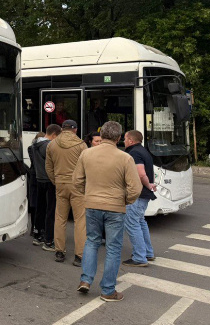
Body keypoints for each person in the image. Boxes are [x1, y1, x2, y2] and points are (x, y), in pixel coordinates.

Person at [73, 121, 142, 302]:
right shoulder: (125, 158)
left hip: (92, 205)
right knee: (113, 248)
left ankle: (86, 280)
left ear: (101, 135)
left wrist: (88, 195)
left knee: (91, 241)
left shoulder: (86, 154)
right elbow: (135, 188)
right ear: (118, 138)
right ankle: (108, 290)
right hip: (115, 207)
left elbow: (77, 181)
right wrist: (125, 200)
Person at [46, 119, 87, 266]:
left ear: (62, 129)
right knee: (80, 220)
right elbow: (86, 167)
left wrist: (56, 181)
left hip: (60, 184)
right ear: (75, 129)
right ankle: (79, 255)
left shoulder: (52, 144)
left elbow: (49, 167)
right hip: (77, 185)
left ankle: (59, 251)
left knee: (60, 218)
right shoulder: (81, 145)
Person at [123, 130, 157, 267]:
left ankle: (139, 257)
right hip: (143, 195)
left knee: (132, 223)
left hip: (138, 194)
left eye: (125, 138)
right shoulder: (143, 150)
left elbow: (141, 173)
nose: (124, 141)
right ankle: (148, 252)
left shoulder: (134, 153)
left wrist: (148, 185)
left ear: (131, 140)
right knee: (140, 222)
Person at [32, 124, 61, 250]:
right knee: (51, 210)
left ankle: (37, 235)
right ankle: (48, 241)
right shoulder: (49, 146)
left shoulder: (35, 144)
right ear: (54, 135)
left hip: (39, 178)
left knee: (40, 208)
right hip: (49, 180)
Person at [27, 132, 46, 239]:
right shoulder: (32, 148)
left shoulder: (32, 148)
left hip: (36, 177)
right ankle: (35, 228)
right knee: (35, 204)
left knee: (38, 203)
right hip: (36, 177)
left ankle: (37, 228)